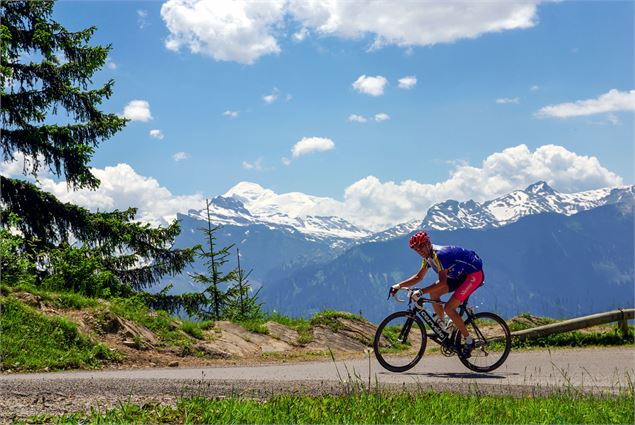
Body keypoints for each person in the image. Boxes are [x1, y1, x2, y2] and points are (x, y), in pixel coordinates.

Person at [389, 231, 484, 355]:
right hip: (459, 275)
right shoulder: (427, 257)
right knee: (434, 294)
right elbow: (419, 277)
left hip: (473, 275)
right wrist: (399, 285)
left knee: (449, 308)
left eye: (421, 246)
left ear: (428, 243)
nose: (420, 251)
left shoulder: (440, 255)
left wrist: (421, 292)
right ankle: (443, 327)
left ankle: (469, 340)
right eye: (416, 249)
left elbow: (443, 283)